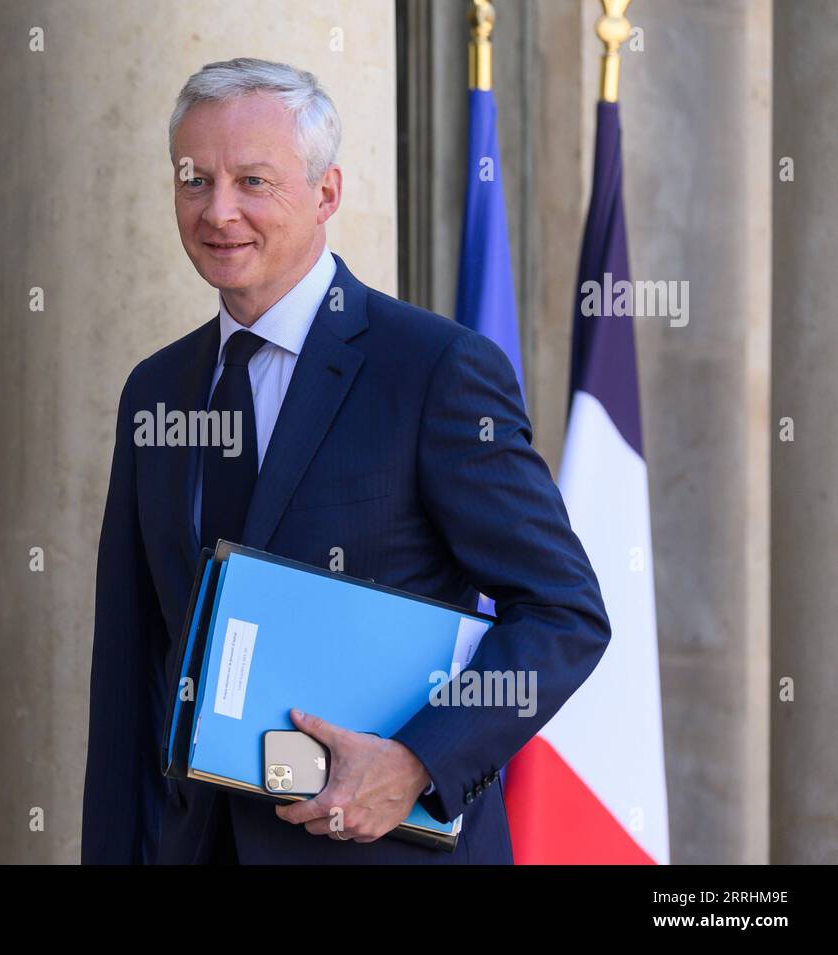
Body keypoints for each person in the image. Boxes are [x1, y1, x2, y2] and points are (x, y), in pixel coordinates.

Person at [81, 57, 609, 864]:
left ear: (325, 194)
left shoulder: (435, 370)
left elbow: (563, 613)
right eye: (195, 181)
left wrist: (418, 762)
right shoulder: (154, 390)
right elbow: (128, 674)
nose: (218, 211)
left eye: (254, 181)